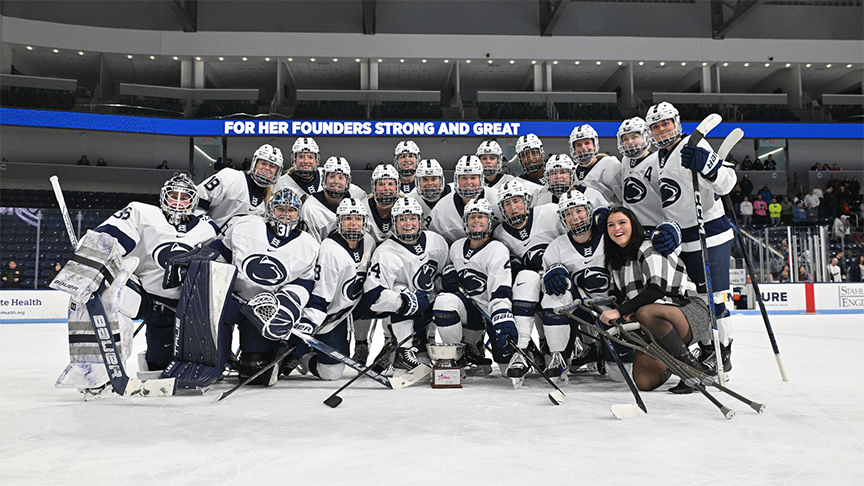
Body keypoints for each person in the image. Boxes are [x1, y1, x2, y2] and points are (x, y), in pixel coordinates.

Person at [50, 174, 219, 395]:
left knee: (161, 365)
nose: (178, 202)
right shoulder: (141, 212)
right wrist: (91, 254)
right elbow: (110, 236)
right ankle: (99, 372)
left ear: (194, 202)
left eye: (184, 197)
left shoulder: (208, 228)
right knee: (111, 296)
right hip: (143, 293)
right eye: (173, 195)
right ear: (163, 197)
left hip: (178, 305)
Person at [644, 101, 734, 382]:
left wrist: (711, 169)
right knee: (693, 301)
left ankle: (723, 354)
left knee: (715, 297)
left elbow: (728, 181)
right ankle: (706, 350)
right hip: (683, 240)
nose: (662, 130)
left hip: (711, 233)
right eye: (656, 126)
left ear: (677, 123)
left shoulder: (694, 145)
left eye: (666, 123)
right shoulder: (656, 157)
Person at [206, 188, 319, 385]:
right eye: (280, 209)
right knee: (211, 362)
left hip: (263, 312)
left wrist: (285, 307)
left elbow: (303, 283)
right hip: (229, 300)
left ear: (298, 214)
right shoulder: (246, 225)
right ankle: (219, 359)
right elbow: (221, 250)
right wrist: (202, 259)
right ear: (270, 209)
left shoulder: (308, 244)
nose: (285, 214)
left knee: (255, 375)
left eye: (291, 210)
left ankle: (251, 358)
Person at [599, 207, 712, 392]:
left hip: (686, 311)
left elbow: (657, 290)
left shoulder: (647, 247)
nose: (616, 228)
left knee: (646, 311)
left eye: (622, 222)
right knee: (644, 381)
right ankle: (674, 362)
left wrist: (621, 311)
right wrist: (623, 309)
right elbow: (623, 298)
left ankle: (690, 368)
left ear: (633, 225)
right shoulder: (616, 262)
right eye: (610, 225)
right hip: (653, 325)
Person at [287, 197, 377, 380]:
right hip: (327, 317)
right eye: (347, 219)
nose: (353, 224)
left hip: (349, 309)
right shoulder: (330, 250)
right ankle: (299, 356)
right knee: (331, 374)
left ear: (364, 221)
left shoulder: (369, 241)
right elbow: (320, 296)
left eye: (358, 219)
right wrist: (309, 325)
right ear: (338, 222)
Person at [359, 198, 450, 373]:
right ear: (394, 222)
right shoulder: (385, 252)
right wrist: (403, 302)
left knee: (449, 299)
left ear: (420, 220)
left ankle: (451, 352)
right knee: (400, 290)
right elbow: (373, 293)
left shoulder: (436, 241)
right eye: (402, 219)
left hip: (431, 307)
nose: (408, 223)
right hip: (404, 311)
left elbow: (442, 271)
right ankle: (403, 351)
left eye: (412, 218)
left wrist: (446, 278)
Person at [434, 198, 516, 377]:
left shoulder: (497, 248)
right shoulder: (456, 247)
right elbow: (444, 275)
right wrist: (448, 274)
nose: (477, 221)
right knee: (443, 302)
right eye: (472, 217)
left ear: (489, 222)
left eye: (482, 217)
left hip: (492, 313)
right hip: (470, 312)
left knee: (507, 370)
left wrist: (501, 315)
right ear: (465, 222)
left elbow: (500, 286)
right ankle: (456, 358)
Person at [492, 179, 566, 378]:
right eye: (507, 204)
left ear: (527, 201)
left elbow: (573, 242)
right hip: (533, 285)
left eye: (516, 201)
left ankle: (562, 351)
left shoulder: (550, 213)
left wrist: (560, 266)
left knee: (552, 292)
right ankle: (522, 351)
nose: (513, 208)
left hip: (562, 280)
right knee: (525, 277)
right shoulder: (500, 234)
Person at [197, 144, 283, 230]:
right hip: (208, 239)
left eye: (272, 166)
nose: (267, 168)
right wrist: (210, 229)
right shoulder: (229, 177)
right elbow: (197, 201)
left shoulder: (272, 200)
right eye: (263, 163)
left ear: (277, 172)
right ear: (254, 163)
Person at [428, 155, 501, 246]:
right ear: (457, 180)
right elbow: (433, 240)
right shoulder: (442, 207)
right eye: (464, 178)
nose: (468, 182)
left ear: (481, 179)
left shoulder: (497, 198)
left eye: (473, 177)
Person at [615, 117, 663, 230]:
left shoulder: (658, 160)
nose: (629, 142)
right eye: (625, 139)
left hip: (656, 225)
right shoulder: (625, 160)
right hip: (632, 229)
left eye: (634, 137)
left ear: (646, 136)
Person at [297, 156, 355, 243]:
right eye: (332, 177)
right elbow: (310, 246)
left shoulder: (357, 196)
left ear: (347, 181)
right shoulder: (310, 209)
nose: (336, 181)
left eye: (341, 178)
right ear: (324, 179)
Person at [568, 124, 621, 206]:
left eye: (587, 143)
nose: (583, 148)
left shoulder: (610, 164)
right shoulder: (572, 172)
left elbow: (623, 197)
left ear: (594, 144)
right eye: (578, 145)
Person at [406, 158, 452, 228]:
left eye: (434, 179)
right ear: (418, 182)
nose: (430, 183)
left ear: (440, 181)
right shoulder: (411, 199)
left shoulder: (453, 193)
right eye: (425, 179)